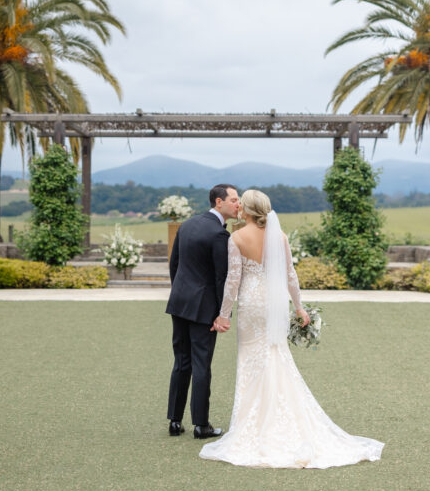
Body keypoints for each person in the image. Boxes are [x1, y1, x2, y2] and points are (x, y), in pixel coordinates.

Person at [200, 188, 385, 468]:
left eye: (241, 205)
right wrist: (299, 307)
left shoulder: (236, 237)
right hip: (275, 306)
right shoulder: (280, 237)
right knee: (275, 355)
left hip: (251, 306)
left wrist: (223, 315)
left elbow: (232, 281)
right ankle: (279, 419)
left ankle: (254, 424)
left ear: (247, 210)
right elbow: (290, 275)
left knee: (250, 361)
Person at [165, 183, 240, 439]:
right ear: (218, 202)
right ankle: (201, 425)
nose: (237, 204)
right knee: (201, 365)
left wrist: (180, 293)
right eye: (233, 199)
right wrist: (222, 313)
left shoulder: (186, 225)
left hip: (179, 303)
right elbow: (221, 278)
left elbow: (174, 265)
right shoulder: (219, 235)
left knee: (181, 362)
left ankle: (175, 421)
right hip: (203, 309)